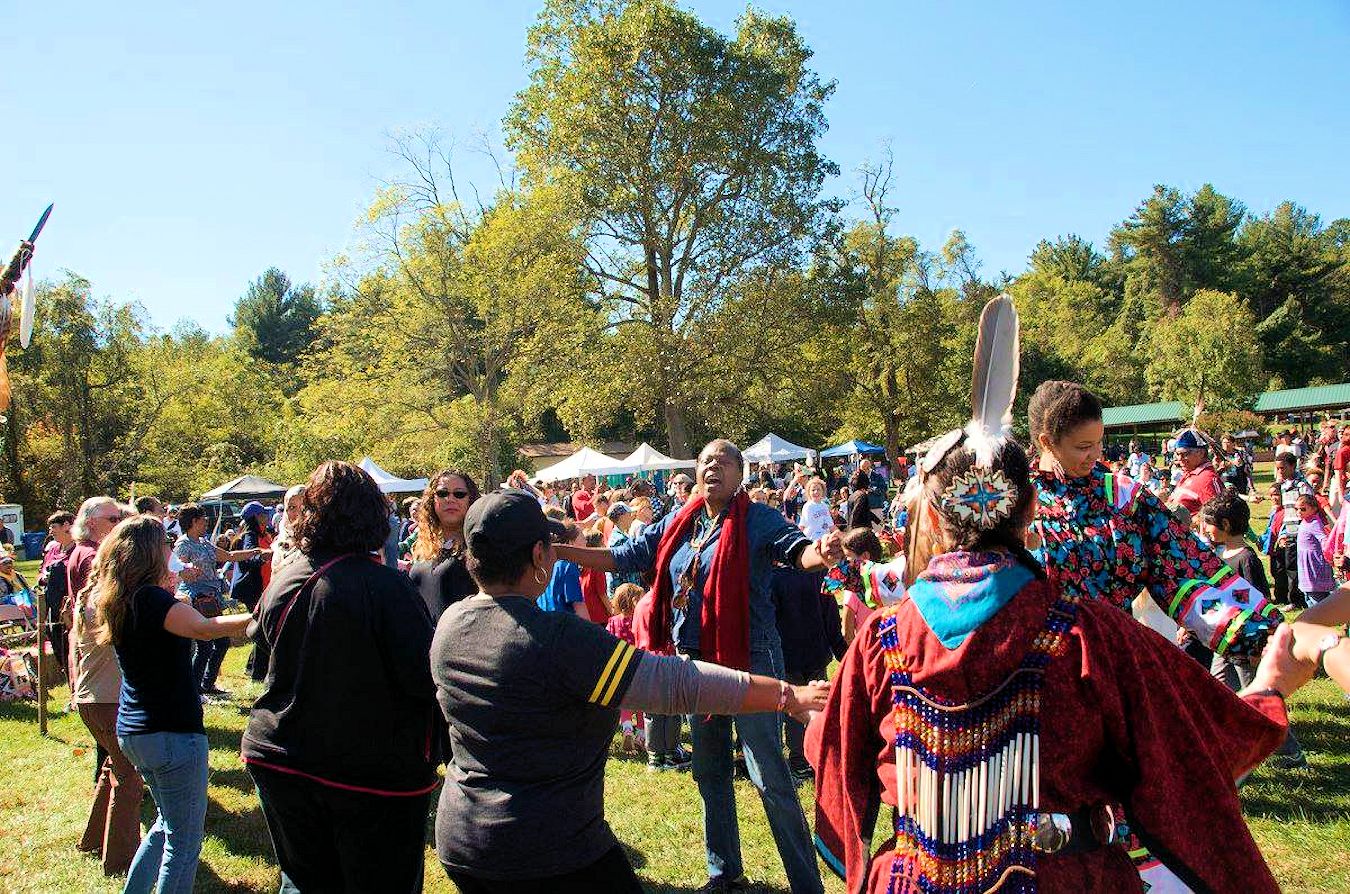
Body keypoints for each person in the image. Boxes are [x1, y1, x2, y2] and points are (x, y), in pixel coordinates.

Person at [808, 432, 1313, 894]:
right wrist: (1267, 690)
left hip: (916, 878)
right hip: (1068, 878)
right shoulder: (1089, 634)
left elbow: (837, 763)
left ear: (934, 518)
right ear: (1031, 511)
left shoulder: (883, 639)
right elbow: (1187, 744)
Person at [431, 489, 829, 892]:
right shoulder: (561, 641)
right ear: (538, 556)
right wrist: (787, 696)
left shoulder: (449, 626)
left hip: (462, 840)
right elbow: (679, 685)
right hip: (550, 850)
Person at [558, 439, 844, 894]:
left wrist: (821, 554)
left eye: (724, 461)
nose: (713, 467)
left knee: (768, 774)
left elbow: (797, 551)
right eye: (706, 461)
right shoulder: (681, 520)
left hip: (751, 655)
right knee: (710, 770)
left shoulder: (759, 519)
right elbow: (625, 557)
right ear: (696, 470)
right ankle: (724, 873)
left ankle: (807, 885)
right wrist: (562, 552)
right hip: (695, 661)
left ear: (740, 473)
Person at [244, 461, 440, 894]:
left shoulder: (285, 578)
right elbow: (424, 679)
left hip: (282, 755)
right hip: (364, 770)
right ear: (374, 516)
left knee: (308, 883)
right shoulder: (385, 587)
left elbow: (261, 650)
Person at [1027, 381, 1279, 662]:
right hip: (1041, 670)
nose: (1096, 454)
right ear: (1047, 442)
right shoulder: (1015, 505)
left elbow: (1184, 567)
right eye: (1084, 446)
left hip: (1116, 659)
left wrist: (1261, 631)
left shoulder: (1123, 497)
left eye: (1099, 443)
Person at [92, 515, 251, 893]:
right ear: (150, 552)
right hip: (170, 731)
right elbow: (204, 628)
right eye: (165, 542)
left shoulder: (124, 597)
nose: (171, 547)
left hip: (137, 730)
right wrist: (265, 613)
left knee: (165, 825)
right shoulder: (150, 598)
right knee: (184, 842)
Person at [68, 497, 143, 877]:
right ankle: (120, 863)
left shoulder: (90, 595)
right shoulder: (108, 600)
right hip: (107, 699)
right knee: (130, 777)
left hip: (92, 697)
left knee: (114, 766)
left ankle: (93, 839)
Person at [173, 503, 263, 697]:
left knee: (221, 643)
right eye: (203, 519)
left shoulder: (204, 542)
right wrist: (186, 571)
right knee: (205, 645)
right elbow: (176, 570)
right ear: (194, 521)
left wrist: (254, 552)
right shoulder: (183, 544)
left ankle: (207, 685)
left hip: (212, 599)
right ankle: (194, 690)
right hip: (196, 599)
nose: (206, 522)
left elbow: (229, 556)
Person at [771, 561, 846, 782]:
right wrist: (841, 650)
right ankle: (812, 756)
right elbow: (831, 616)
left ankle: (801, 759)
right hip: (813, 653)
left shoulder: (771, 577)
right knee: (816, 705)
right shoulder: (819, 573)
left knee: (796, 708)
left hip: (789, 655)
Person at [408, 469, 481, 621]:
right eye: (442, 493)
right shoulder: (424, 546)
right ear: (432, 500)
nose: (450, 499)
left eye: (459, 494)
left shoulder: (479, 548)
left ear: (471, 500)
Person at [1271, 452, 1316, 609]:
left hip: (1302, 534)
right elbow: (1286, 512)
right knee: (1291, 569)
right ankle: (1294, 600)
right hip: (1289, 533)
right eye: (1277, 469)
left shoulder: (1302, 486)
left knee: (1303, 568)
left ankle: (1304, 598)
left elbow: (1310, 509)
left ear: (1292, 466)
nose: (1280, 472)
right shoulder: (1283, 486)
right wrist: (1283, 533)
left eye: (1282, 468)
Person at [537, 522, 591, 619]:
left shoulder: (543, 564)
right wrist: (592, 632)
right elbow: (578, 606)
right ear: (571, 543)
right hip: (564, 626)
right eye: (582, 537)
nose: (586, 541)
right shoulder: (568, 565)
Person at [1168, 427, 1221, 515]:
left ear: (1201, 453)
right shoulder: (1188, 474)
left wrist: (1193, 522)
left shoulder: (1207, 480)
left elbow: (1218, 518)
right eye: (1177, 454)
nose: (1179, 459)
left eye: (1185, 454)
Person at [1295, 493, 1335, 606]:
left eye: (1303, 509)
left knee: (1317, 599)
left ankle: (1321, 619)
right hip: (1305, 567)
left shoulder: (1314, 523)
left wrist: (1328, 555)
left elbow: (1324, 540)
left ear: (1314, 509)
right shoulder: (1305, 521)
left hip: (1314, 566)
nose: (1299, 512)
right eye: (1296, 509)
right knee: (1309, 596)